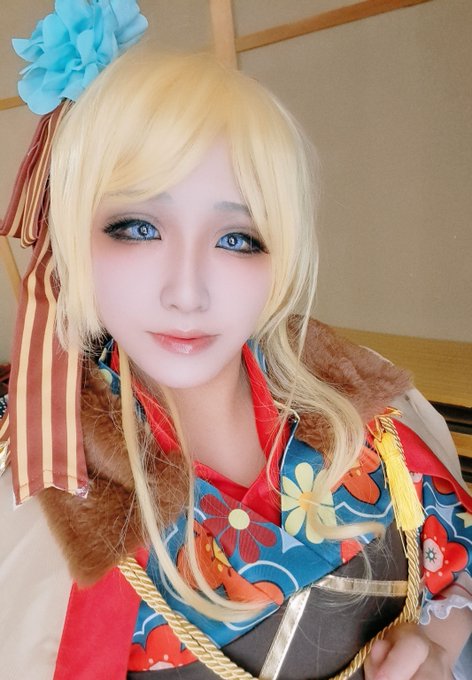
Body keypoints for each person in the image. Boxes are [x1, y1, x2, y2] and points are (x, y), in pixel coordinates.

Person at [0, 2, 471, 679]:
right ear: (71, 238)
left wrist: (437, 646)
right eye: (137, 228)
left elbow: (454, 562)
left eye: (238, 238)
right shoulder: (38, 479)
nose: (187, 292)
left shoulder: (363, 404)